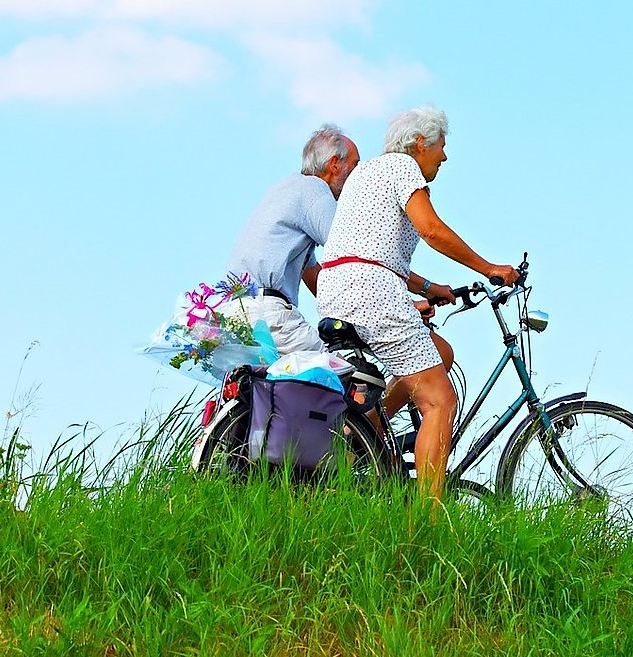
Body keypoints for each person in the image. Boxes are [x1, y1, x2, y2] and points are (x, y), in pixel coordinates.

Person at [317, 107, 519, 500]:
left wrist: (428, 288)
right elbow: (431, 229)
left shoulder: (366, 172)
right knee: (440, 401)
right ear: (420, 143)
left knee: (440, 352)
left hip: (339, 289)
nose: (444, 156)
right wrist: (489, 267)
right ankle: (428, 519)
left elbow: (370, 250)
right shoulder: (403, 167)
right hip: (372, 292)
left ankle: (368, 433)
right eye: (441, 145)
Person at [220, 124, 360, 355]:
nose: (358, 175)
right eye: (355, 165)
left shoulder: (288, 188)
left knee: (273, 379)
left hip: (235, 314)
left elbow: (314, 276)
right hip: (267, 313)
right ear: (335, 164)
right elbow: (354, 252)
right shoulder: (314, 189)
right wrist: (396, 306)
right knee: (339, 371)